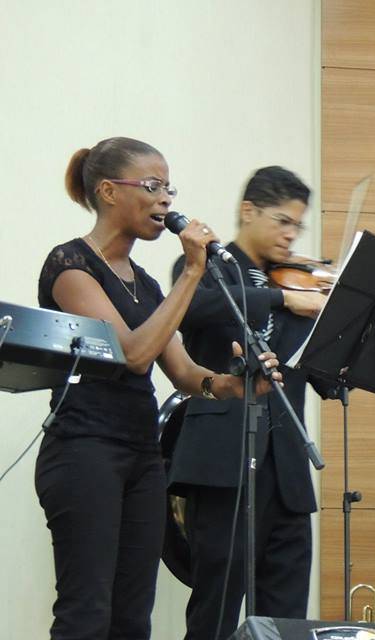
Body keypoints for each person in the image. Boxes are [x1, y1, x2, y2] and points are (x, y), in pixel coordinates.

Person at [36, 137, 281, 640]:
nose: (167, 200)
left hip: (142, 458)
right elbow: (132, 354)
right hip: (84, 450)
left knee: (132, 618)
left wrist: (235, 386)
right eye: (152, 186)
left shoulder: (145, 285)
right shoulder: (70, 267)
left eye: (169, 187)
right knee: (86, 614)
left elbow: (187, 374)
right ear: (107, 191)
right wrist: (193, 271)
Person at [167, 166, 334, 640]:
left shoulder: (302, 283)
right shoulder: (208, 266)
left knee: (286, 621)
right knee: (215, 613)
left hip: (288, 477)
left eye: (296, 226)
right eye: (282, 221)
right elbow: (194, 308)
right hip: (223, 466)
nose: (290, 235)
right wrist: (282, 298)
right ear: (248, 211)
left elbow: (320, 374)